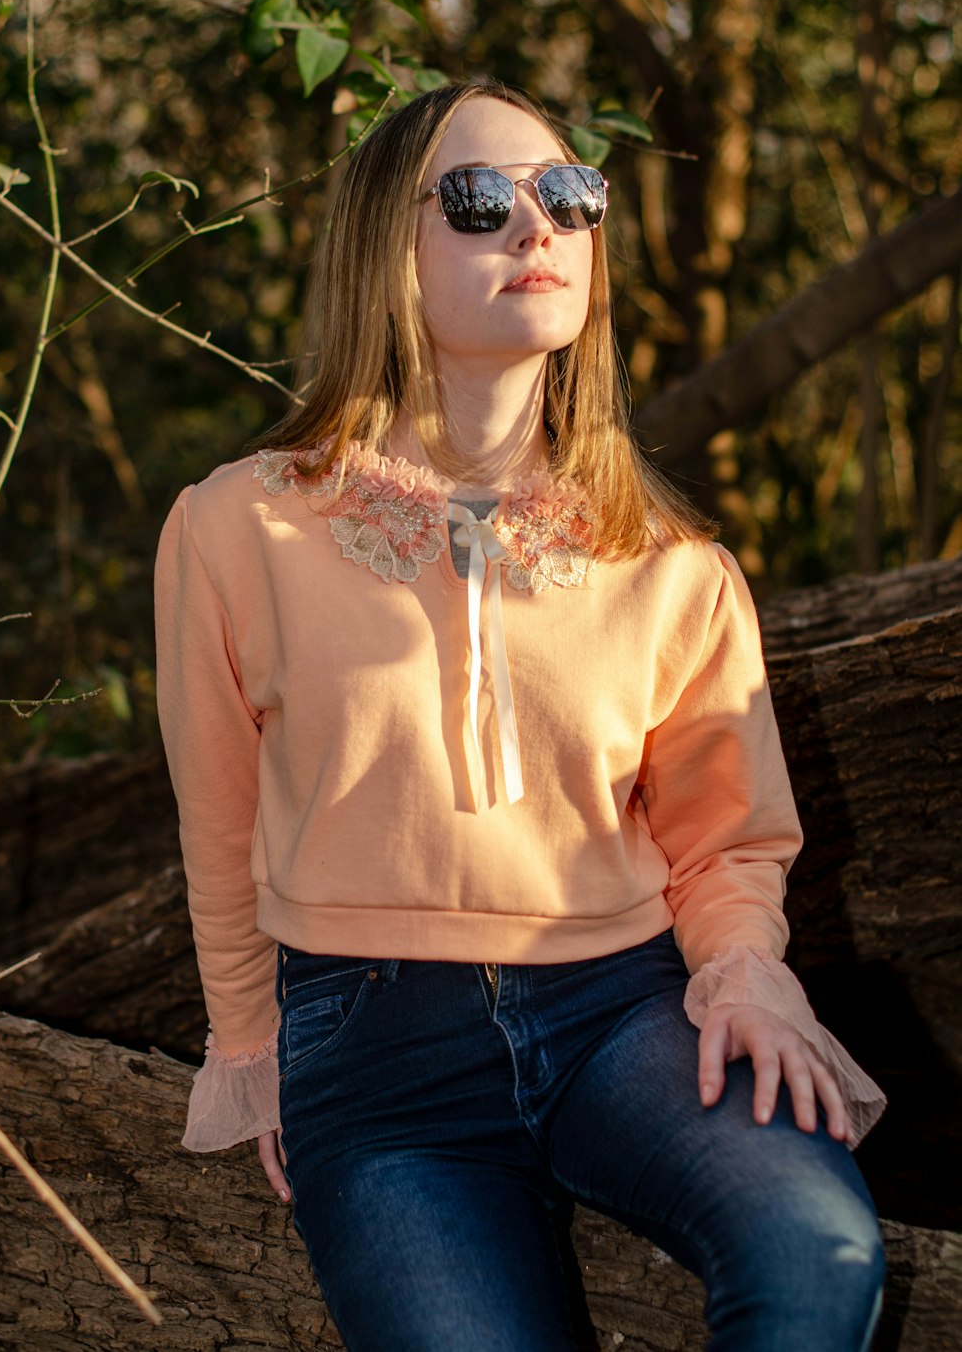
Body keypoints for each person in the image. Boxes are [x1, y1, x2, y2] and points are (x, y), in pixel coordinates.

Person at [154, 78, 887, 1352]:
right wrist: (248, 1042)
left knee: (817, 1256)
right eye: (483, 202)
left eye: (569, 197)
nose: (537, 232)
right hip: (374, 1058)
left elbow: (724, 839)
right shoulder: (234, 526)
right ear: (389, 248)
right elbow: (218, 826)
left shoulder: (667, 557)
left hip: (623, 1014)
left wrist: (744, 969)